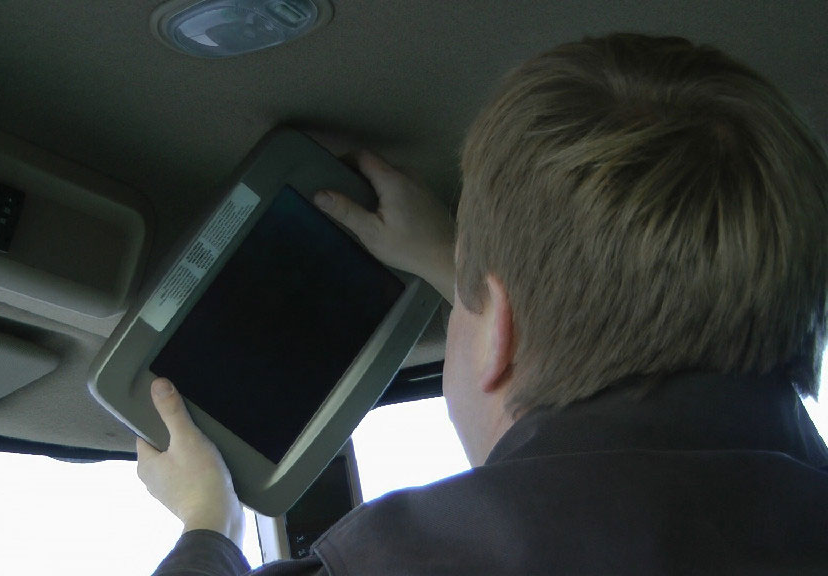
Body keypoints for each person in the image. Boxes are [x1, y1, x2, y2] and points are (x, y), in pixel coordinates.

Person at [136, 33, 828, 575]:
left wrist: (208, 527)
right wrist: (463, 266)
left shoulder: (397, 564)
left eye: (471, 303)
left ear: (498, 331)